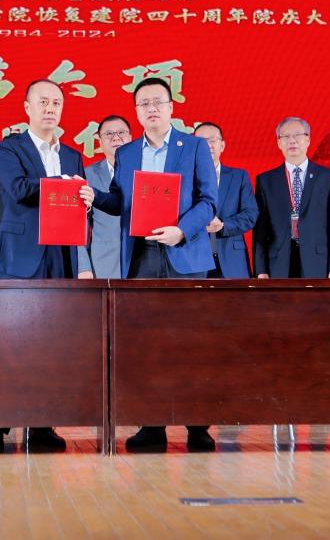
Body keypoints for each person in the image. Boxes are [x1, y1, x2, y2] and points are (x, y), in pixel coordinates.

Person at [81, 77, 218, 451]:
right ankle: (152, 424)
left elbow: (209, 201)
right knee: (147, 342)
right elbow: (119, 201)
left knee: (191, 342)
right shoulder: (126, 153)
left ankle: (197, 425)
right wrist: (94, 197)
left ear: (171, 107)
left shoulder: (193, 146)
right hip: (141, 257)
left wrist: (181, 230)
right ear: (137, 112)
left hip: (184, 255)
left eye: (158, 101)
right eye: (144, 104)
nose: (152, 108)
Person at [0, 79, 86, 453]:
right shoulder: (9, 147)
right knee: (5, 342)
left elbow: (76, 204)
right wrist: (62, 185)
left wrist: (84, 197)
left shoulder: (73, 155)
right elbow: (18, 189)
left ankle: (42, 423)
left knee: (51, 342)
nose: (50, 109)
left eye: (57, 103)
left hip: (60, 254)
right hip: (19, 257)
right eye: (43, 102)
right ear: (27, 107)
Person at [253, 116, 330, 279]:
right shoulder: (266, 180)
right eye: (286, 136)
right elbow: (261, 229)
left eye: (297, 135)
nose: (292, 140)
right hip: (279, 261)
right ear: (279, 143)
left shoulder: (327, 177)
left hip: (318, 261)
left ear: (308, 140)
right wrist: (261, 270)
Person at [193, 121, 258, 278]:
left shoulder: (239, 177)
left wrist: (223, 225)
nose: (208, 145)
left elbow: (250, 214)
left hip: (232, 259)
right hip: (194, 260)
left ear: (222, 145)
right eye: (201, 141)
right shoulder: (185, 178)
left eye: (212, 140)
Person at [77, 115, 132, 278]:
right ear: (99, 141)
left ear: (130, 138)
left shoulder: (145, 172)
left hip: (141, 263)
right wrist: (83, 266)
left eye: (121, 132)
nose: (116, 138)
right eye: (109, 134)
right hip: (102, 264)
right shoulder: (87, 175)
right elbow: (78, 223)